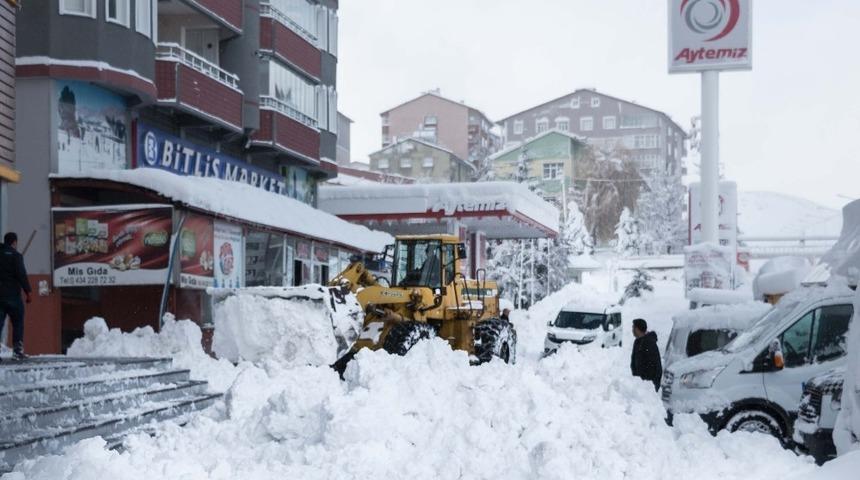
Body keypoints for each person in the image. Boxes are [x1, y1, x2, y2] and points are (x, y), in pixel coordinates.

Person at [0, 232, 32, 361]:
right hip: (13, 296)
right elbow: (21, 275)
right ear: (14, 242)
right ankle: (17, 351)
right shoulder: (16, 256)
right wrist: (28, 292)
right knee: (18, 323)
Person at [630, 318, 662, 391]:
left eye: (633, 328)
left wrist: (649, 385)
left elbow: (654, 366)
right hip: (639, 384)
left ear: (638, 329)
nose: (632, 330)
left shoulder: (649, 343)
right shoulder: (637, 342)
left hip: (648, 386)